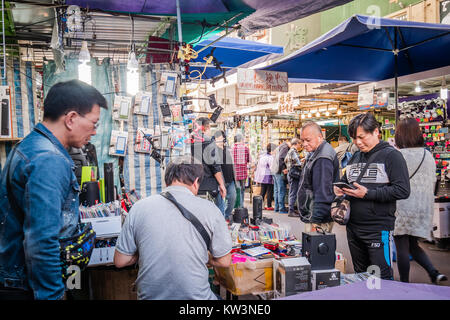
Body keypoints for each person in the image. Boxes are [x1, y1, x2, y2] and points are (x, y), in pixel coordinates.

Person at [0, 80, 107, 300]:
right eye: (94, 123)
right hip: (25, 287)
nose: (95, 132)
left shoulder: (29, 146)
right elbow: (42, 241)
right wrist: (53, 295)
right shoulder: (50, 160)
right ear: (71, 119)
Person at [114, 156, 232, 300]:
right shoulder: (211, 210)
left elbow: (120, 261)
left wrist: (145, 251)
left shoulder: (139, 208)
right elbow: (224, 261)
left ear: (166, 181)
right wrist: (205, 257)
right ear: (196, 182)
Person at [334, 113, 410, 280]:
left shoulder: (392, 156)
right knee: (361, 275)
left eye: (362, 137)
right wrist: (340, 188)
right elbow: (346, 179)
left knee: (380, 278)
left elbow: (403, 190)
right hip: (353, 227)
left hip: (378, 229)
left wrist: (368, 193)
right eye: (354, 138)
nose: (358, 142)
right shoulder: (355, 156)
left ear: (376, 132)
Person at [393, 119, 447, 284]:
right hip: (422, 208)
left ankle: (403, 282)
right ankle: (433, 272)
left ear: (399, 135)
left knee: (402, 246)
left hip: (401, 207)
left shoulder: (397, 156)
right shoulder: (428, 155)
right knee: (413, 245)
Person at [297, 122, 339, 232]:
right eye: (302, 140)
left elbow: (323, 193)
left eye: (308, 140)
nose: (304, 144)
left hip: (317, 218)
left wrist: (316, 221)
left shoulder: (322, 158)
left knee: (315, 246)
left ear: (320, 137)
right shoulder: (318, 153)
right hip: (314, 213)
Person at [190, 117, 226, 200]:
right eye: (209, 126)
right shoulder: (208, 141)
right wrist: (221, 184)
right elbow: (215, 165)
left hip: (192, 183)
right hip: (208, 184)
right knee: (218, 209)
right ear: (206, 127)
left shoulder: (188, 140)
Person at [213, 130, 236, 221]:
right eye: (216, 138)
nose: (218, 139)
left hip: (230, 180)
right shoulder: (213, 150)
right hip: (220, 182)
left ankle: (225, 216)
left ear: (223, 138)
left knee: (233, 199)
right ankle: (220, 221)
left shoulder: (227, 149)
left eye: (220, 137)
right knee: (220, 204)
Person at [284, 138, 303, 217]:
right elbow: (298, 163)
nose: (300, 146)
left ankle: (292, 210)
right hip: (294, 174)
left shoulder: (289, 151)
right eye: (300, 144)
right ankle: (291, 211)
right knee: (293, 192)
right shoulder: (293, 151)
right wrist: (303, 161)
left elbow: (285, 160)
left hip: (290, 173)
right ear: (296, 144)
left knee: (293, 192)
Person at [271, 139, 291, 214]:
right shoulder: (285, 147)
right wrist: (283, 169)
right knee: (281, 190)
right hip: (278, 171)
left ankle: (277, 208)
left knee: (277, 190)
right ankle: (281, 209)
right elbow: (281, 158)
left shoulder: (280, 146)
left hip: (274, 170)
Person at [254, 143, 276, 211]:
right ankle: (269, 205)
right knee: (270, 191)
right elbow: (272, 167)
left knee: (263, 191)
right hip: (269, 175)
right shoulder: (270, 157)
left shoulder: (263, 156)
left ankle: (260, 205)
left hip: (263, 176)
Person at [232, 133, 251, 207]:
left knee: (237, 189)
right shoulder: (246, 149)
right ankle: (241, 205)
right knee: (242, 190)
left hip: (234, 173)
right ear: (240, 140)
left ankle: (237, 206)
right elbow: (249, 160)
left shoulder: (231, 149)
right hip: (243, 173)